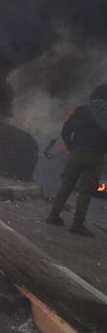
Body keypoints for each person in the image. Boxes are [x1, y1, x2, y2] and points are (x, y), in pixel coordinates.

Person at [46, 84, 107, 237]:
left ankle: (53, 215)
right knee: (86, 191)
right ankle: (77, 224)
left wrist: (70, 146)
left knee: (66, 185)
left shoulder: (82, 110)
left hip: (75, 153)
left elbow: (66, 130)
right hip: (95, 156)